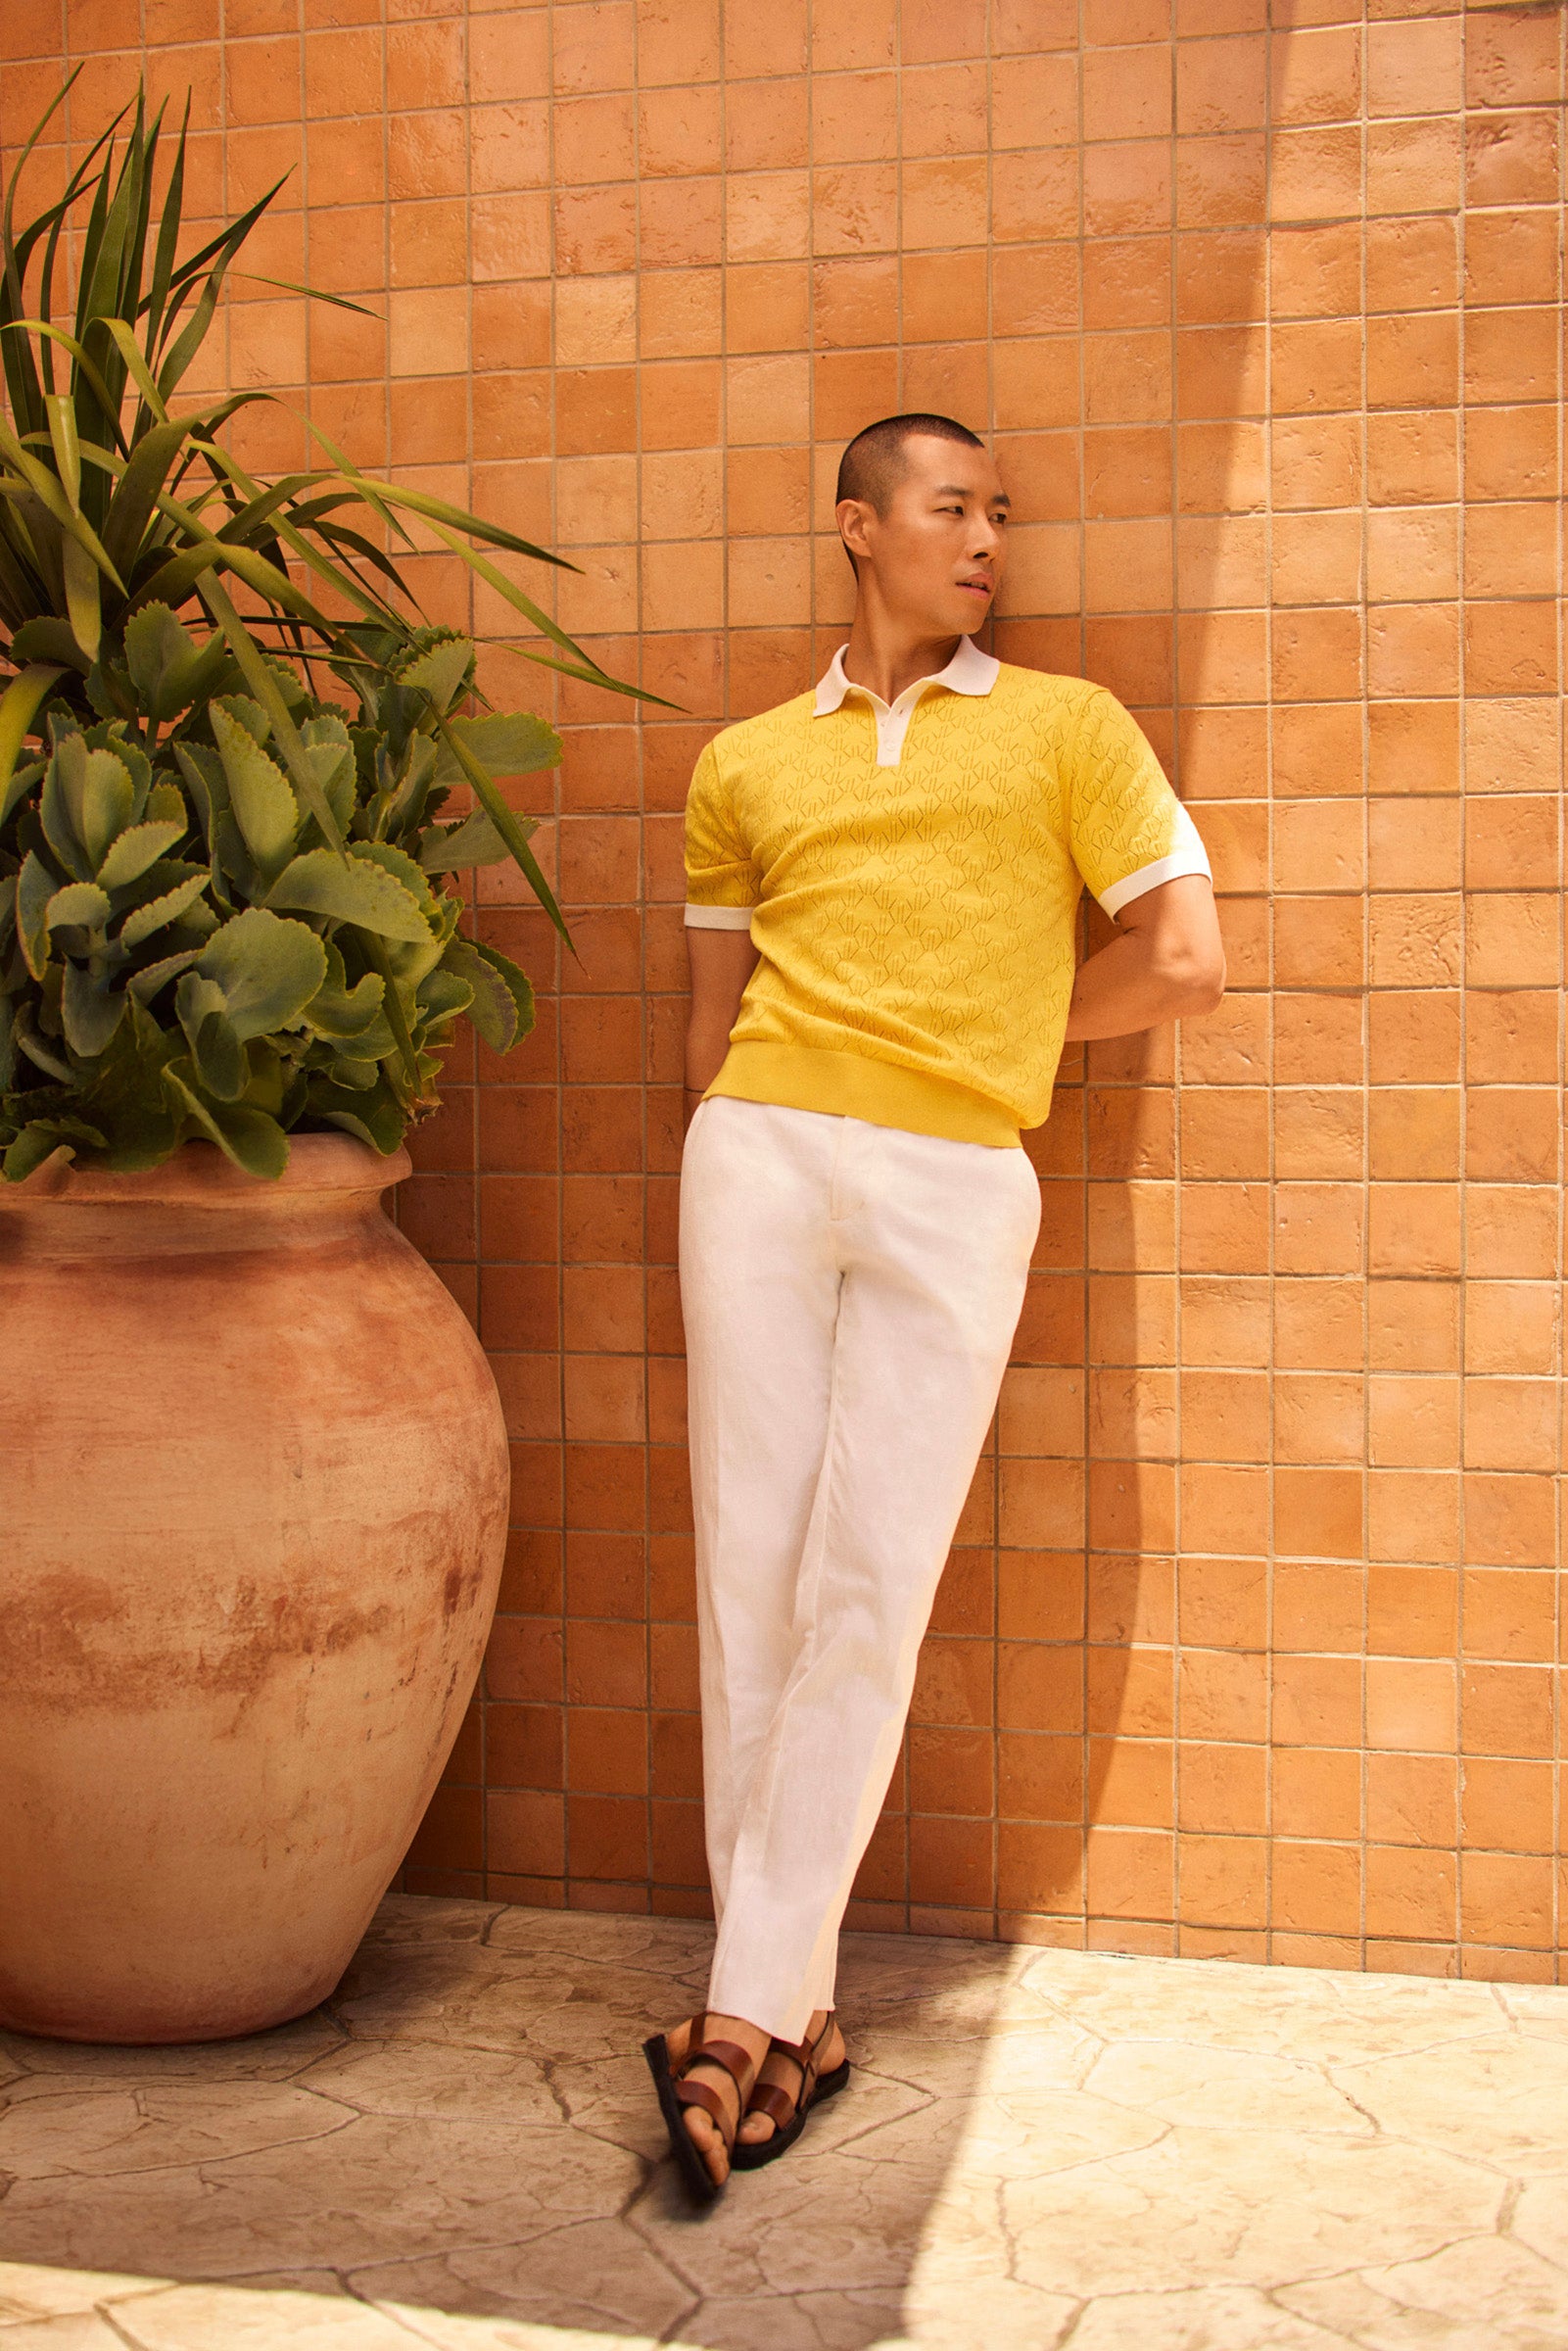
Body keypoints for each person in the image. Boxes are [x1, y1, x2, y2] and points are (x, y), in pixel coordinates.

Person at [641, 412, 1225, 2202]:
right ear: (857, 525)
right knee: (746, 1575)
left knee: (868, 1581)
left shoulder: (1068, 726)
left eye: (999, 515)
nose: (986, 542)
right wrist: (736, 1135)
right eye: (951, 509)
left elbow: (1184, 958)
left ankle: (747, 2013)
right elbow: (706, 1017)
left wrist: (981, 1038)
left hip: (956, 1172)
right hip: (754, 1159)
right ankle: (777, 2021)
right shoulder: (744, 762)